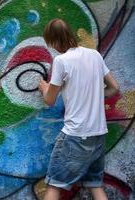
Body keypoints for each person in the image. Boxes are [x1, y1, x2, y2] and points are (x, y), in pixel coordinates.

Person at [38, 18, 119, 200]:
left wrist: (44, 87)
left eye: (51, 43)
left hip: (75, 136)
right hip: (98, 134)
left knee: (54, 185)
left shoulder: (61, 61)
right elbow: (114, 87)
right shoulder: (95, 55)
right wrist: (95, 96)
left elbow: (50, 100)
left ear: (55, 41)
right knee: (95, 185)